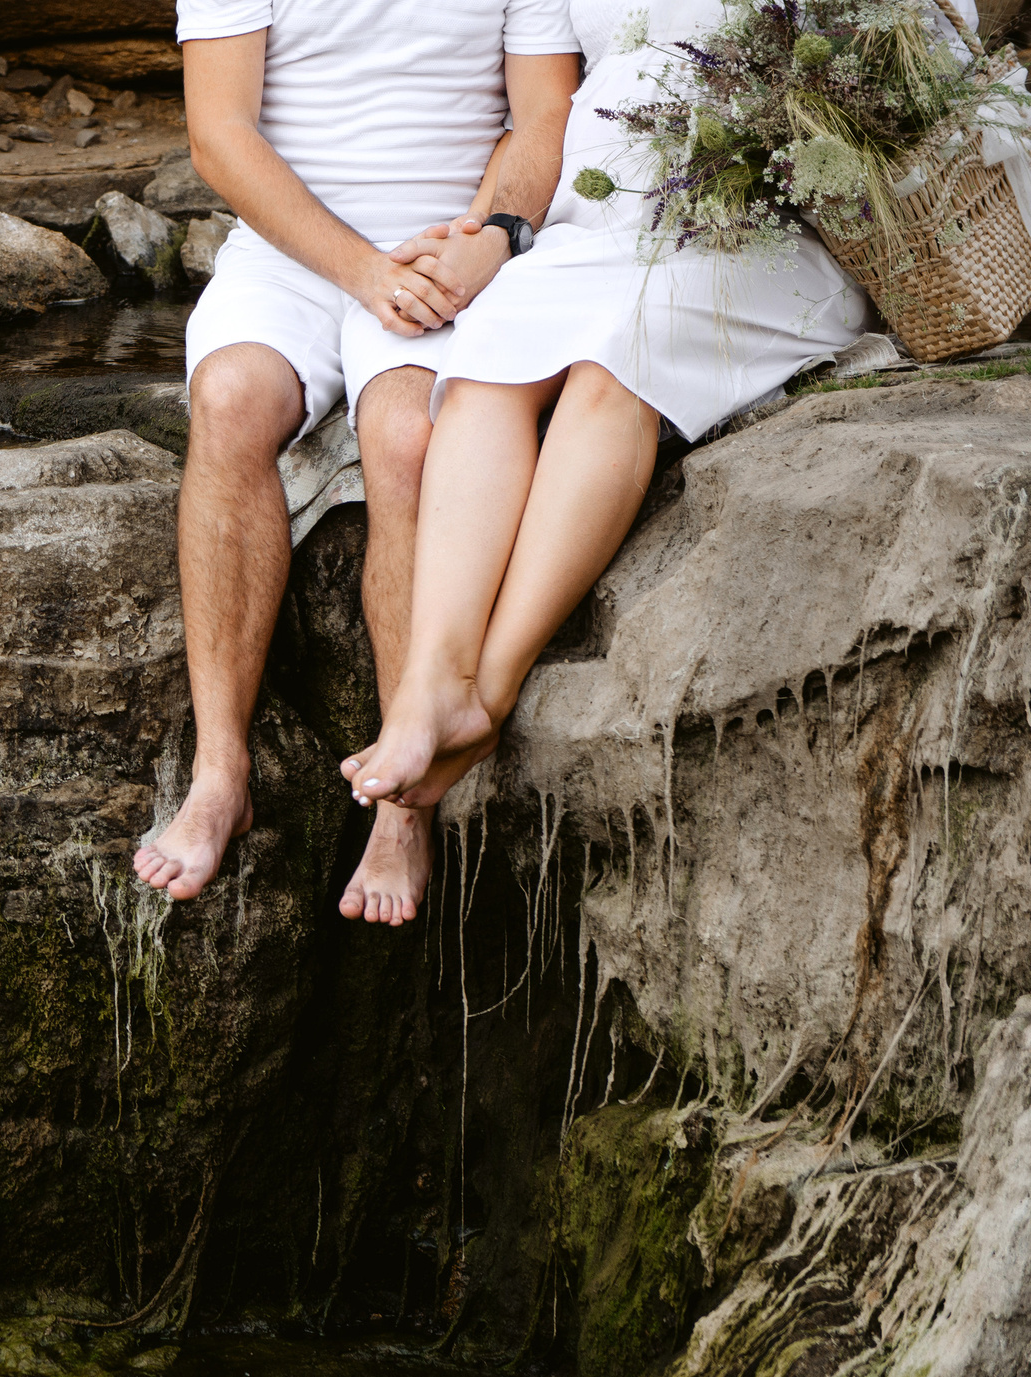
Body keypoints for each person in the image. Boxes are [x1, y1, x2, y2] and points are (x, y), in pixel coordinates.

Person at [341, 0, 881, 817]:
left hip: (770, 225)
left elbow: (907, 56)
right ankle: (429, 681)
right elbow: (544, 110)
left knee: (619, 355)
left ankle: (483, 693)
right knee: (489, 354)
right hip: (599, 219)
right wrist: (495, 233)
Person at [131, 0, 582, 925]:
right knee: (229, 403)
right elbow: (218, 136)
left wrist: (490, 235)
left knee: (409, 437)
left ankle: (399, 794)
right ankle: (221, 772)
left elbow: (545, 112)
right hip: (290, 254)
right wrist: (359, 272)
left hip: (439, 253)